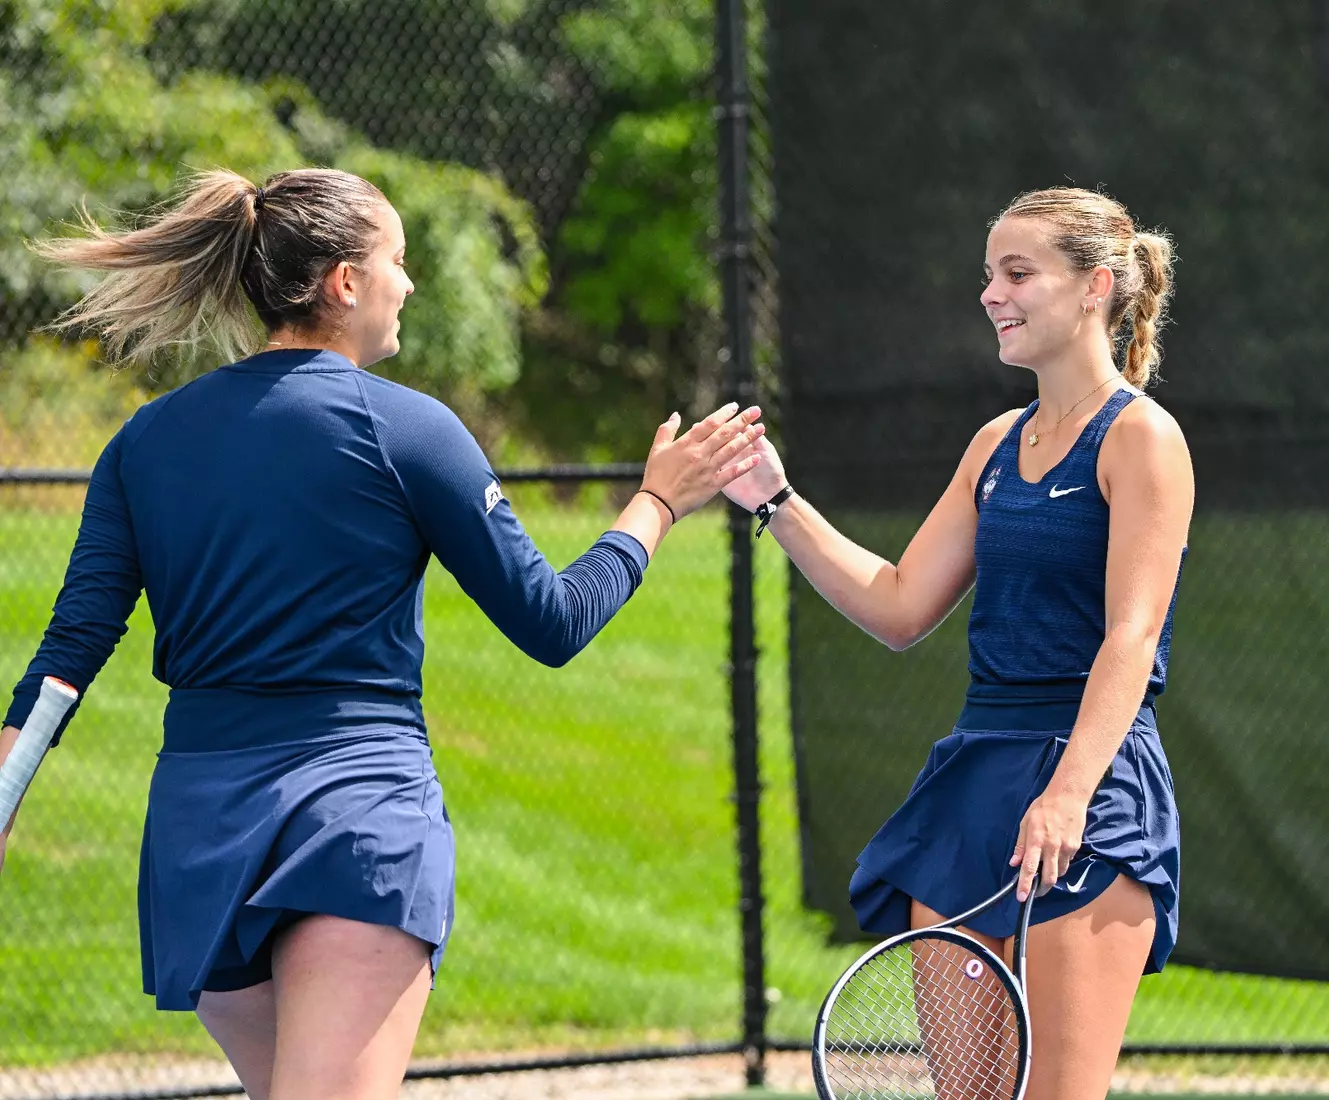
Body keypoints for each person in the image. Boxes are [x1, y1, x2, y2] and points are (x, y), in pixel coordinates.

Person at [0, 167, 763, 1100]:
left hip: (200, 837)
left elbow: (67, 656)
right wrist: (656, 502)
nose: (411, 283)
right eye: (399, 261)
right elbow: (555, 622)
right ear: (346, 283)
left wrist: (4, 792)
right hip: (352, 814)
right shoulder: (410, 429)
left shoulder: (145, 440)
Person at [723, 186, 1192, 1099]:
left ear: (1096, 286)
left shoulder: (1142, 439)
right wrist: (775, 502)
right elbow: (898, 605)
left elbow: (1131, 638)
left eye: (1018, 273)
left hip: (1089, 793)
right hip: (973, 787)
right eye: (989, 274)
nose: (991, 294)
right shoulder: (993, 445)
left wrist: (1066, 797)